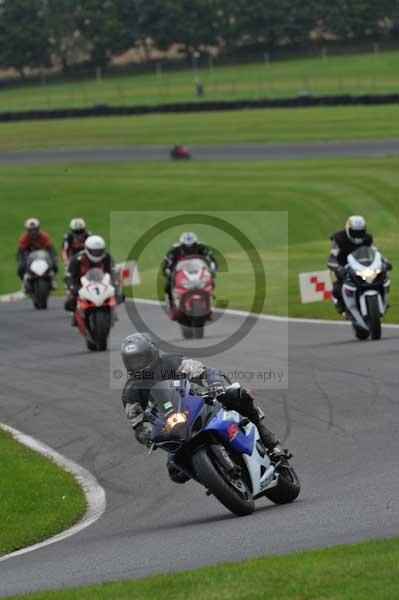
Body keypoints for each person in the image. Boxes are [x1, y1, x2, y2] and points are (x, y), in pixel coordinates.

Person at [120, 333, 282, 484]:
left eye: (140, 360)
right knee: (175, 472)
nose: (138, 365)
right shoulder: (131, 391)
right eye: (133, 362)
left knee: (237, 394)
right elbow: (137, 422)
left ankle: (267, 439)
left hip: (200, 400)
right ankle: (215, 478)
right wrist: (146, 434)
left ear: (152, 353)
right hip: (173, 426)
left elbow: (203, 371)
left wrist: (213, 383)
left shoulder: (172, 362)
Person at [162, 232, 218, 317]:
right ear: (181, 244)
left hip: (198, 270)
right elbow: (166, 263)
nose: (189, 249)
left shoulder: (201, 247)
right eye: (186, 246)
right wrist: (168, 272)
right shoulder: (174, 250)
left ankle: (209, 299)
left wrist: (212, 269)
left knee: (210, 280)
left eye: (192, 246)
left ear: (195, 243)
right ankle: (170, 305)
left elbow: (211, 259)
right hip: (179, 272)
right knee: (168, 285)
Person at [327, 215, 374, 314]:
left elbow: (376, 253)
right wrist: (338, 268)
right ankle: (341, 306)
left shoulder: (368, 239)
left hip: (363, 266)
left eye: (360, 232)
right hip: (343, 266)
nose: (358, 235)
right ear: (348, 230)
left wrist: (384, 262)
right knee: (337, 288)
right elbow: (332, 258)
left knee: (381, 278)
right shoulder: (339, 239)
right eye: (355, 232)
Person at [64, 234, 122, 314]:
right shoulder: (77, 258)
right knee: (69, 304)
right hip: (82, 287)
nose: (96, 253)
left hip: (103, 285)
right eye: (94, 251)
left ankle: (111, 312)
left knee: (119, 296)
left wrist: (115, 284)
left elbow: (114, 271)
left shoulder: (107, 257)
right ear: (87, 249)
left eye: (99, 251)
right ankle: (78, 315)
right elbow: (69, 276)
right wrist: (73, 288)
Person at [17, 218, 58, 282]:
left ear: (38, 229)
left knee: (54, 266)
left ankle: (52, 279)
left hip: (43, 257)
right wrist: (22, 262)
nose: (33, 232)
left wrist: (53, 259)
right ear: (27, 230)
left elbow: (50, 249)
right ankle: (24, 281)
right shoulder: (24, 238)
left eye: (35, 230)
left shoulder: (44, 236)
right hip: (29, 258)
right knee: (20, 269)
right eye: (31, 230)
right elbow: (20, 251)